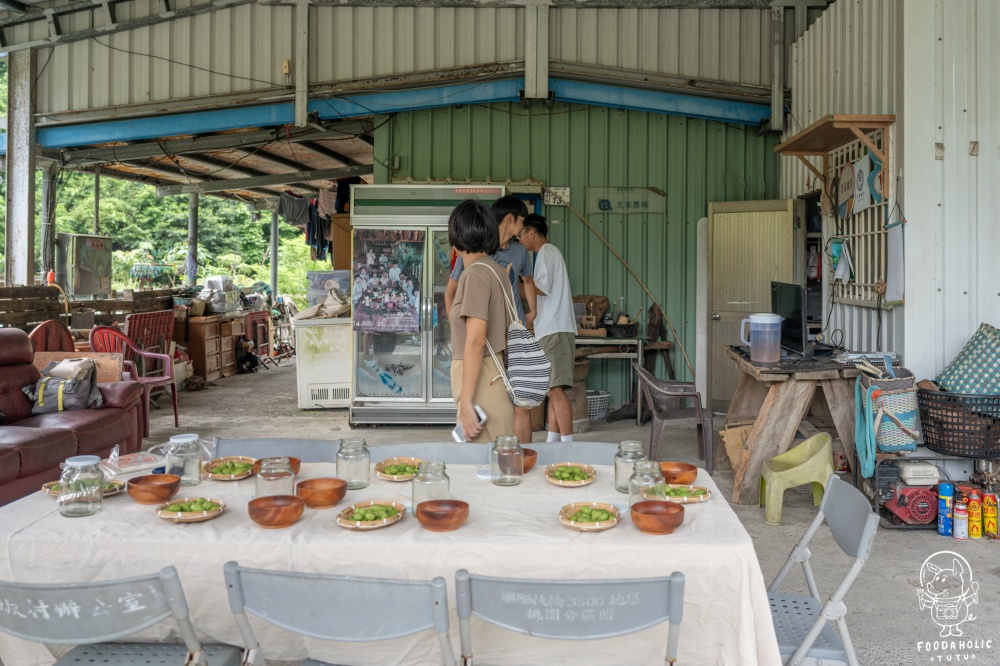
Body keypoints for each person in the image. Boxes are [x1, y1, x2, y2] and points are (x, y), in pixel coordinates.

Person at [445, 195, 537, 445]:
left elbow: (476, 341)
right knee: (495, 464)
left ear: (458, 236)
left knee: (481, 467)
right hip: (493, 376)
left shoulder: (474, 275)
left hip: (481, 384)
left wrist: (465, 401)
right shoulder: (496, 271)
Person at [519, 213, 577, 443]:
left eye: (522, 234)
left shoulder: (544, 253)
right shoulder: (550, 252)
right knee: (552, 390)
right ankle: (553, 444)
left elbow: (540, 288)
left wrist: (514, 287)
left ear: (532, 232)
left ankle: (568, 447)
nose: (520, 239)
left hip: (554, 328)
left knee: (554, 391)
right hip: (554, 328)